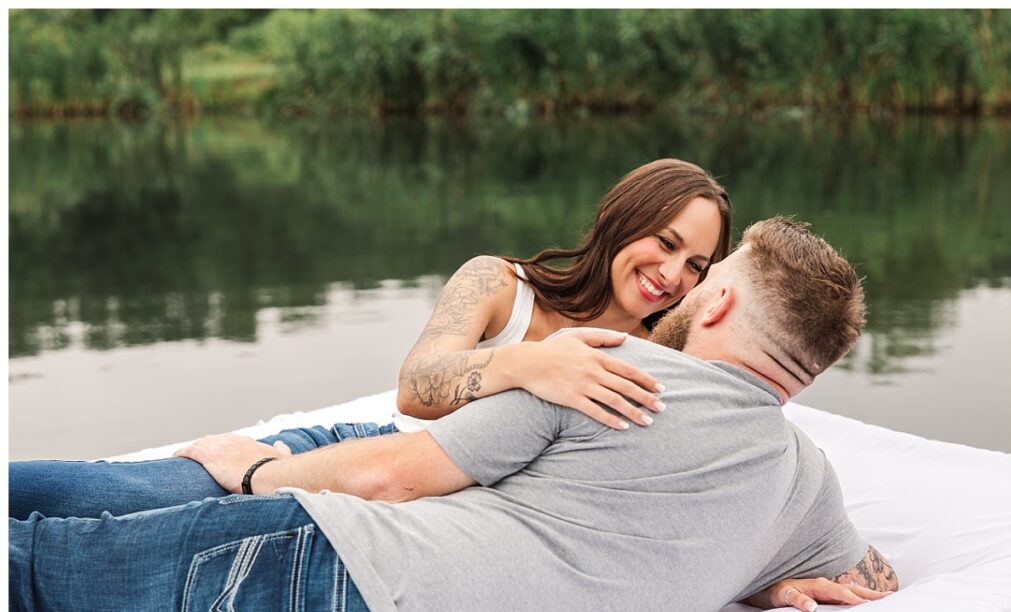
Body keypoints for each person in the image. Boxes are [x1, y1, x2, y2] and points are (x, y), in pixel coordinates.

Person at [10, 217, 899, 612]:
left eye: (711, 273)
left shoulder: (613, 367)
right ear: (806, 373)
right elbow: (869, 578)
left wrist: (249, 466)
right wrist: (763, 572)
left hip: (334, 567)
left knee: (33, 574)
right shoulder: (805, 485)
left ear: (716, 308)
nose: (687, 283)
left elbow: (393, 476)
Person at [9, 158, 732, 520]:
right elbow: (416, 389)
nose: (671, 273)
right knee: (122, 492)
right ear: (622, 218)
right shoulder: (499, 285)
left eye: (695, 264)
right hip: (367, 451)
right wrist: (533, 362)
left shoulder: (667, 355)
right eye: (664, 242)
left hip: (434, 517)